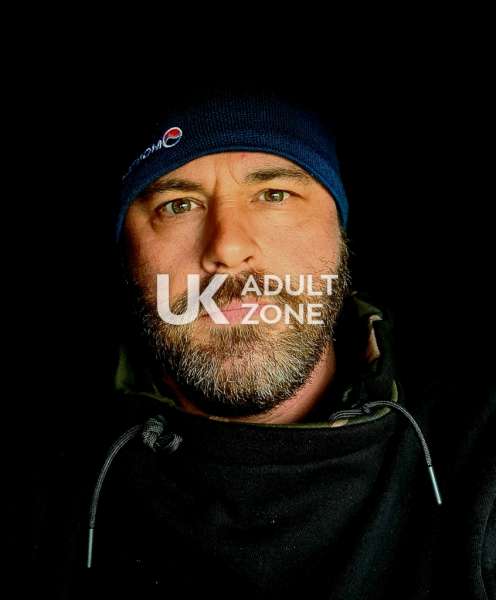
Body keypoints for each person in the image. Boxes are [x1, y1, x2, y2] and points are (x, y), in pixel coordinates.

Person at [33, 85, 495, 599]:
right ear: (128, 254)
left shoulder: (478, 456)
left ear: (339, 233)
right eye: (178, 204)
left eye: (274, 195)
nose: (228, 247)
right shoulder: (53, 487)